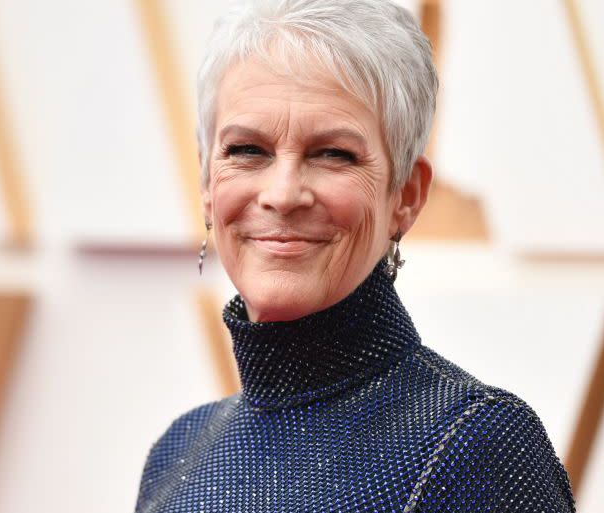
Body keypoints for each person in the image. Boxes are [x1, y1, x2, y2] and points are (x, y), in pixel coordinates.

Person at [134, 0, 575, 511]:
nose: (282, 193)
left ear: (406, 196)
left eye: (333, 154)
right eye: (247, 150)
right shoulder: (177, 451)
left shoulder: (473, 443)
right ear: (207, 183)